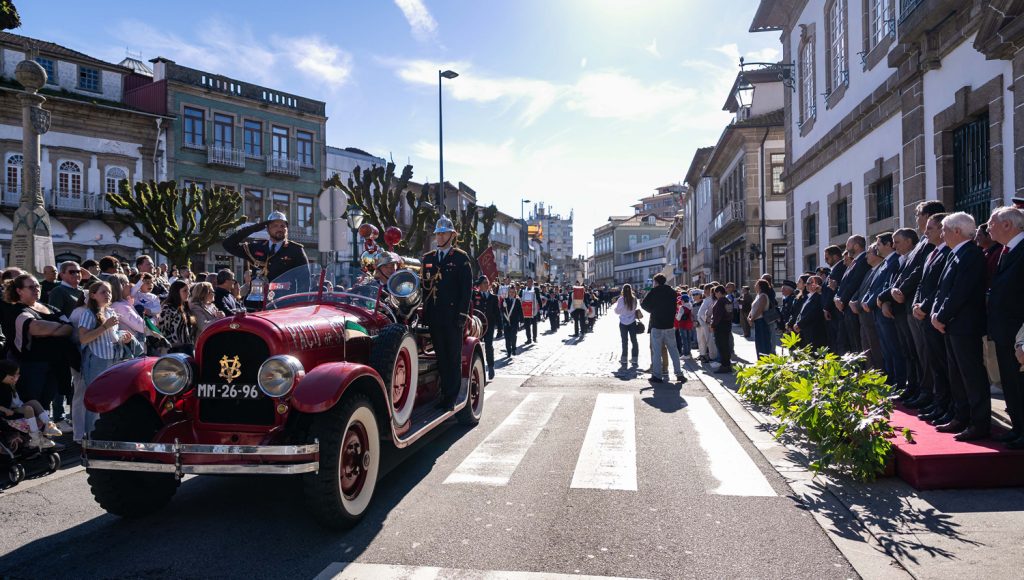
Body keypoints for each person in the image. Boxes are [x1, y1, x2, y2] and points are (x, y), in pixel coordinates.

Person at [930, 212, 990, 441]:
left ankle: (979, 422)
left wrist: (941, 316)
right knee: (956, 374)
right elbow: (942, 289)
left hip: (964, 325)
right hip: (951, 324)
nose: (941, 234)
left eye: (944, 229)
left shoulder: (971, 255)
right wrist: (937, 313)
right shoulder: (955, 254)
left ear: (957, 231)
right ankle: (960, 416)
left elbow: (960, 292)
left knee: (971, 374)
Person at [4, 274, 75, 428]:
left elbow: (70, 329)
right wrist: (58, 326)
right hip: (31, 365)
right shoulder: (16, 310)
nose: (36, 289)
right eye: (31, 287)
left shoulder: (50, 308)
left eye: (38, 286)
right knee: (31, 401)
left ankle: (45, 436)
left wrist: (51, 329)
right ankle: (32, 439)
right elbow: (37, 328)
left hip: (55, 363)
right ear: (19, 290)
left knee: (46, 401)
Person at [420, 215, 473, 411]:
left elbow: (466, 289)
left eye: (443, 233)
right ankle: (444, 394)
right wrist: (425, 312)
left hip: (452, 317)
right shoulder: (428, 258)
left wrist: (462, 314)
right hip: (435, 316)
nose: (439, 237)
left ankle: (451, 397)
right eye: (438, 233)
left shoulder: (460, 258)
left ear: (452, 235)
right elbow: (425, 289)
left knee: (453, 357)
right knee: (441, 357)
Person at [986, 207, 1024, 448]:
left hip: (1017, 331)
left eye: (992, 222)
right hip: (1003, 331)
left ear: (1008, 225)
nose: (988, 227)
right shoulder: (1006, 250)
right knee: (1010, 383)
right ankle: (1018, 427)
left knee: (1021, 384)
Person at [911, 213, 953, 423]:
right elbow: (922, 283)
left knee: (944, 365)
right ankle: (939, 404)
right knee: (934, 363)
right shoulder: (931, 254)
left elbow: (939, 287)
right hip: (925, 314)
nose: (925, 232)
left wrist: (925, 306)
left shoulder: (948, 254)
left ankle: (948, 406)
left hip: (936, 315)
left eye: (930, 228)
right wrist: (916, 303)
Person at [223, 210, 309, 303]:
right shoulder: (256, 247)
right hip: (256, 303)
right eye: (275, 226)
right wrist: (254, 228)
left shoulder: (295, 250)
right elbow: (228, 244)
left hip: (283, 303)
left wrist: (300, 304)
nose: (279, 229)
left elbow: (305, 281)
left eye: (283, 226)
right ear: (267, 229)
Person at [0, 360, 60, 449]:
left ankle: (48, 424)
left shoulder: (13, 384)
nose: (17, 377)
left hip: (19, 408)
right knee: (28, 408)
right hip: (11, 412)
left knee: (34, 402)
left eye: (17, 374)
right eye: (13, 375)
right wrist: (5, 410)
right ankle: (35, 437)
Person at [641, 274, 683, 383]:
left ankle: (657, 375)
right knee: (674, 351)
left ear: (656, 282)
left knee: (657, 352)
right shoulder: (672, 292)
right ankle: (679, 374)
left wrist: (653, 310)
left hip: (657, 325)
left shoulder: (654, 291)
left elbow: (644, 304)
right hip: (669, 325)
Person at [835, 235, 870, 353]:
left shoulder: (863, 261)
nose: (846, 247)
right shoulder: (854, 263)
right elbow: (844, 284)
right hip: (846, 309)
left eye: (848, 244)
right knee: (852, 343)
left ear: (856, 245)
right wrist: (837, 298)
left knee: (858, 344)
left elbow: (855, 283)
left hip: (853, 307)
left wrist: (843, 300)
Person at [158, 280, 197, 354]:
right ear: (176, 292)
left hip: (187, 347)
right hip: (174, 350)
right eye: (185, 291)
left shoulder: (185, 306)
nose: (188, 293)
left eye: (188, 290)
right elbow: (163, 330)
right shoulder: (168, 308)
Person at [473, 276, 500, 379]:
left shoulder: (493, 297)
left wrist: (500, 328)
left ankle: (491, 366)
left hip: (489, 326)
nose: (485, 284)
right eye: (483, 283)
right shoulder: (475, 296)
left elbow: (497, 313)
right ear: (479, 285)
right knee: (478, 347)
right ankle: (480, 368)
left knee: (489, 346)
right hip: (478, 326)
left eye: (486, 282)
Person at [794, 276, 828, 350]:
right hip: (806, 331)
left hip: (814, 331)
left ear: (816, 284)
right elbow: (801, 312)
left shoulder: (818, 297)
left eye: (809, 283)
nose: (806, 285)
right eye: (806, 283)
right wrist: (797, 323)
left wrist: (800, 324)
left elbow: (811, 313)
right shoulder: (808, 297)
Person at [614, 283, 640, 366]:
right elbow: (635, 308)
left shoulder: (621, 299)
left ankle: (624, 358)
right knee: (634, 340)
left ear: (623, 290)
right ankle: (635, 358)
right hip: (632, 322)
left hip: (623, 322)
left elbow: (617, 312)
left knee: (624, 341)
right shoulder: (634, 299)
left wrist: (616, 308)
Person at [710, 286, 734, 374]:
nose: (715, 295)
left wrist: (713, 325)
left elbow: (717, 315)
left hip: (720, 326)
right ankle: (727, 364)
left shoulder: (720, 301)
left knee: (721, 346)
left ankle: (725, 365)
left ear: (719, 292)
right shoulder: (728, 300)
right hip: (727, 325)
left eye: (715, 293)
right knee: (726, 345)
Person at [748, 279, 773, 358]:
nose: (755, 285)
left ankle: (764, 359)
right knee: (758, 342)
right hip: (757, 321)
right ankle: (760, 358)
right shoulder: (758, 295)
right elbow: (753, 308)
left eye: (756, 284)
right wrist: (749, 316)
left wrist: (752, 318)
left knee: (763, 341)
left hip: (762, 321)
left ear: (760, 286)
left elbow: (760, 309)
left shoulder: (763, 296)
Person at [501, 284, 523, 358]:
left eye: (513, 292)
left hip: (514, 322)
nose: (511, 293)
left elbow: (520, 311)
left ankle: (513, 348)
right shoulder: (505, 300)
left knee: (513, 336)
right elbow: (502, 311)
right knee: (507, 337)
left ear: (515, 293)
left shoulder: (517, 301)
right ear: (508, 292)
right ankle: (508, 351)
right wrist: (503, 306)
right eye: (510, 292)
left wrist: (522, 321)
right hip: (506, 321)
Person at [520, 278, 540, 345]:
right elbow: (519, 298)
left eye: (530, 282)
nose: (529, 283)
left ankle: (534, 337)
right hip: (526, 310)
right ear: (526, 282)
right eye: (528, 281)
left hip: (533, 310)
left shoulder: (536, 289)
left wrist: (541, 308)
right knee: (527, 325)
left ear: (532, 282)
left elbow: (538, 298)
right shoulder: (523, 290)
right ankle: (528, 339)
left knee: (534, 324)